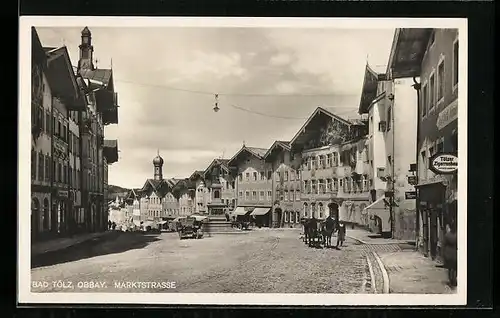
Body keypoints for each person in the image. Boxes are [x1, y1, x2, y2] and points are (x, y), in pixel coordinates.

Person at [443, 218, 457, 288]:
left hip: (448, 253)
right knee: (454, 268)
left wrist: (444, 255)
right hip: (455, 254)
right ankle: (454, 280)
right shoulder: (457, 235)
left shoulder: (447, 235)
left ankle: (451, 281)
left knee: (450, 268)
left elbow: (444, 245)